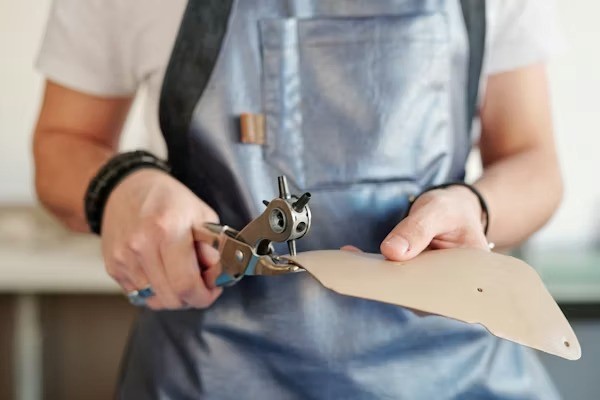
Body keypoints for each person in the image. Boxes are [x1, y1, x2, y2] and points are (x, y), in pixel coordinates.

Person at [33, 0, 565, 398]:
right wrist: (126, 184)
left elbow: (533, 161)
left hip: (456, 379)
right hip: (207, 377)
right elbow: (61, 146)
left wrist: (474, 206)